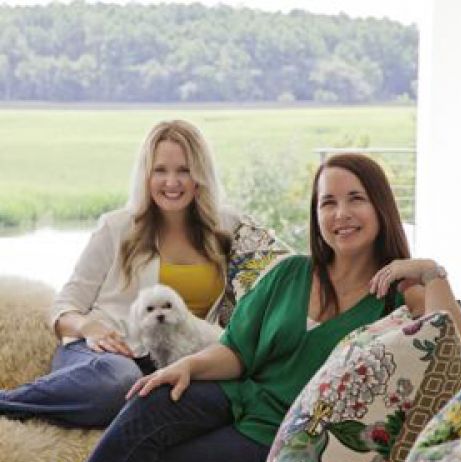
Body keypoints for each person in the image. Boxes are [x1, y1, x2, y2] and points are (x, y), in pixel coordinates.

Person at [68, 153, 461, 462]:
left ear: (381, 208)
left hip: (283, 436)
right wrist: (186, 366)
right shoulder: (290, 273)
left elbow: (460, 349)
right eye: (328, 203)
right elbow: (235, 350)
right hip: (235, 395)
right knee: (148, 404)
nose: (341, 214)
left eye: (356, 199)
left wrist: (431, 273)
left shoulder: (400, 296)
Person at [0, 119, 285, 428]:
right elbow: (64, 307)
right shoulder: (116, 226)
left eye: (184, 170)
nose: (171, 182)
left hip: (177, 361)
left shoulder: (229, 227)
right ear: (146, 174)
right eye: (160, 170)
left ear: (200, 175)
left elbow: (285, 268)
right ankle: (8, 402)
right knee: (119, 383)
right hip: (101, 356)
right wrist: (88, 327)